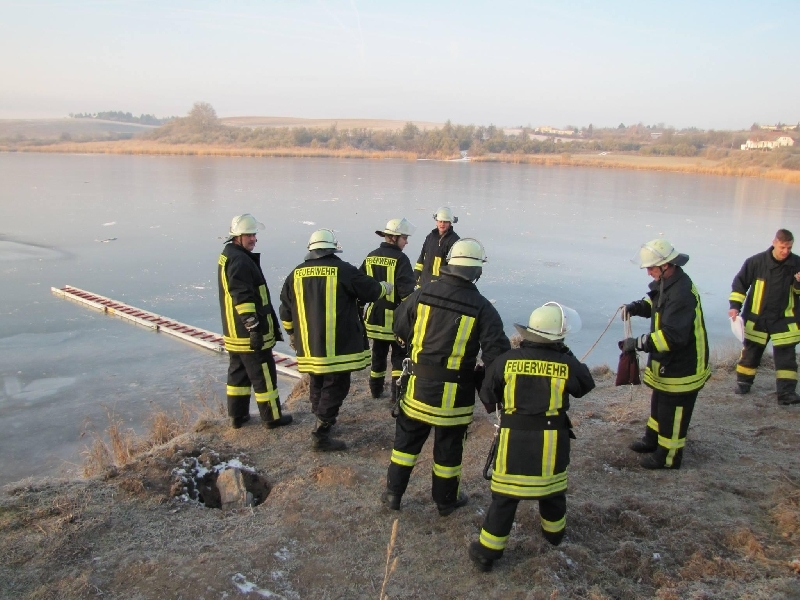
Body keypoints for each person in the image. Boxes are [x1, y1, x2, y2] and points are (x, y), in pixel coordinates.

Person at [383, 238, 511, 516]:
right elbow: (497, 357)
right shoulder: (483, 308)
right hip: (454, 400)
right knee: (449, 452)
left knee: (405, 445)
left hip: (416, 390)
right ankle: (445, 502)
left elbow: (399, 324)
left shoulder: (423, 293)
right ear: (476, 271)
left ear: (450, 264)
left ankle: (393, 495)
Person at [469, 302, 595, 572]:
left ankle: (487, 552)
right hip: (552, 443)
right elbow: (585, 384)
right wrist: (566, 354)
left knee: (505, 498)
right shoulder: (565, 363)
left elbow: (488, 395)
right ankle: (554, 536)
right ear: (558, 338)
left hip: (513, 442)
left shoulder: (506, 361)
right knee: (553, 493)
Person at [279, 229, 392, 451]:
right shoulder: (343, 270)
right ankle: (321, 434)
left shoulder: (295, 274)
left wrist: (292, 335)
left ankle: (321, 420)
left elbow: (285, 309)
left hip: (309, 345)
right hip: (338, 346)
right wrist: (385, 287)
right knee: (336, 384)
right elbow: (371, 291)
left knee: (317, 381)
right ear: (332, 250)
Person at [621, 238, 710, 469]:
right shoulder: (669, 282)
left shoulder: (682, 293)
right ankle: (652, 441)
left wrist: (637, 343)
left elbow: (672, 337)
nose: (648, 272)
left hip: (684, 366)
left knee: (674, 412)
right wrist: (636, 307)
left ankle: (668, 457)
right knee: (659, 404)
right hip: (668, 363)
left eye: (651, 268)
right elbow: (657, 304)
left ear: (665, 265)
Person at [218, 214, 293, 430]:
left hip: (234, 332)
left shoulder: (228, 255)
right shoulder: (240, 260)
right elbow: (242, 297)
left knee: (238, 374)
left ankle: (237, 416)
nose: (254, 239)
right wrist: (253, 328)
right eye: (249, 235)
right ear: (237, 237)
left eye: (254, 235)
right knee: (264, 374)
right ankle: (272, 418)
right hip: (248, 333)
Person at [729, 229, 800, 405]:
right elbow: (740, 284)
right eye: (782, 247)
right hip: (757, 318)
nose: (786, 251)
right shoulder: (755, 262)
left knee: (786, 359)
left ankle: (786, 394)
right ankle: (743, 384)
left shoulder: (797, 263)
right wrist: (735, 307)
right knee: (751, 353)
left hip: (785, 320)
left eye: (789, 248)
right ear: (774, 243)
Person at [360, 218, 417, 402]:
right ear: (394, 238)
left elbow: (361, 287)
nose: (406, 242)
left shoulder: (371, 256)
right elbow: (407, 295)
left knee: (378, 356)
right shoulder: (401, 259)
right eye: (404, 238)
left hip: (374, 319)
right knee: (399, 358)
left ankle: (375, 391)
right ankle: (396, 395)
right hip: (395, 321)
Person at [414, 206, 460, 287]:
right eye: (440, 221)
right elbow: (421, 258)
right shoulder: (430, 237)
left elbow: (454, 267)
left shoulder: (454, 240)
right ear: (436, 221)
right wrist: (415, 276)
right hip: (423, 284)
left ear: (450, 223)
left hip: (440, 286)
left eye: (445, 222)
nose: (442, 224)